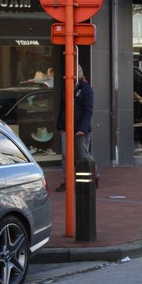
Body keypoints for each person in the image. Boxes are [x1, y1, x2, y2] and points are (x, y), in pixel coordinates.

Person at [55, 64, 99, 192]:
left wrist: (83, 128)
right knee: (65, 155)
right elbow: (62, 107)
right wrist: (60, 125)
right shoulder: (66, 86)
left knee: (83, 154)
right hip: (66, 126)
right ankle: (67, 180)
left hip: (80, 127)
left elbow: (88, 110)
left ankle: (94, 175)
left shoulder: (86, 89)